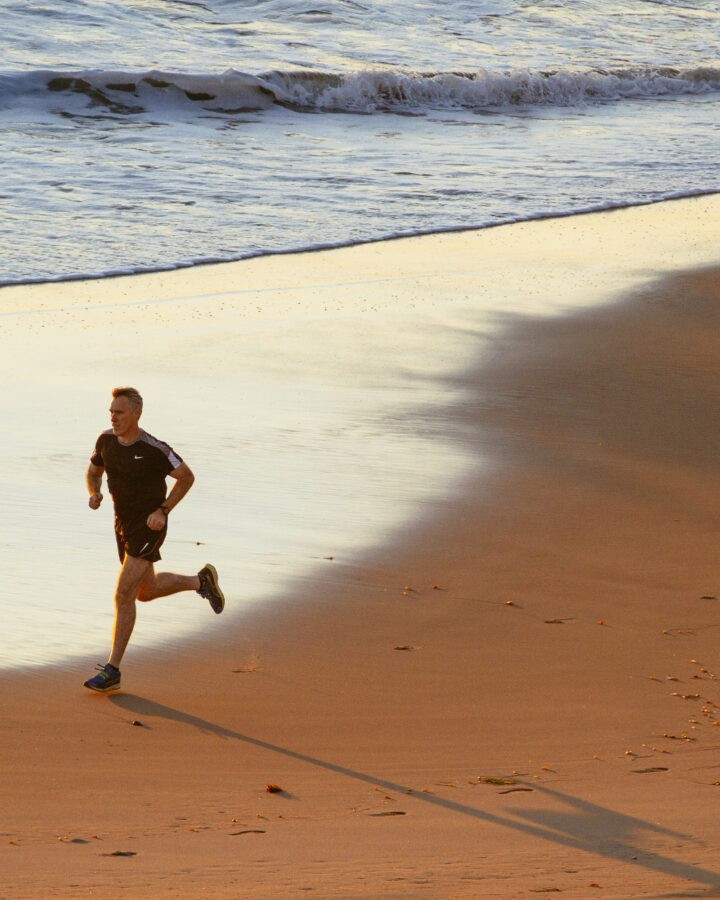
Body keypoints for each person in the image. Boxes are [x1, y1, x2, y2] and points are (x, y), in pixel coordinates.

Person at [84, 386, 224, 692]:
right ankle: (202, 582)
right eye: (111, 411)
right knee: (145, 592)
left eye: (119, 412)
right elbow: (93, 472)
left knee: (123, 594)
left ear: (136, 413)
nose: (113, 417)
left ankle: (112, 670)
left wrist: (163, 510)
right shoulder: (105, 440)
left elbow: (187, 477)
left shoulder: (154, 449)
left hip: (150, 526)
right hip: (122, 526)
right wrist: (94, 492)